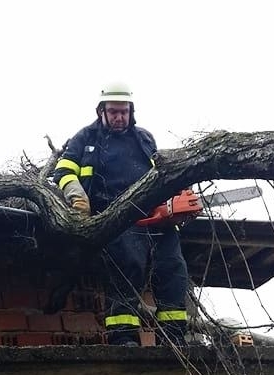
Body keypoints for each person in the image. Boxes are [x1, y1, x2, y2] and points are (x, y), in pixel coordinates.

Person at [53, 83, 190, 347]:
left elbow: (163, 174)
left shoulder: (144, 138)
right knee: (128, 269)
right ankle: (123, 337)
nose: (119, 117)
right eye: (114, 112)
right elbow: (64, 172)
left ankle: (173, 336)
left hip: (155, 217)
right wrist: (79, 199)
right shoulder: (86, 138)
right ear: (102, 111)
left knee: (172, 268)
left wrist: (175, 199)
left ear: (131, 111)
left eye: (124, 112)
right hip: (116, 217)